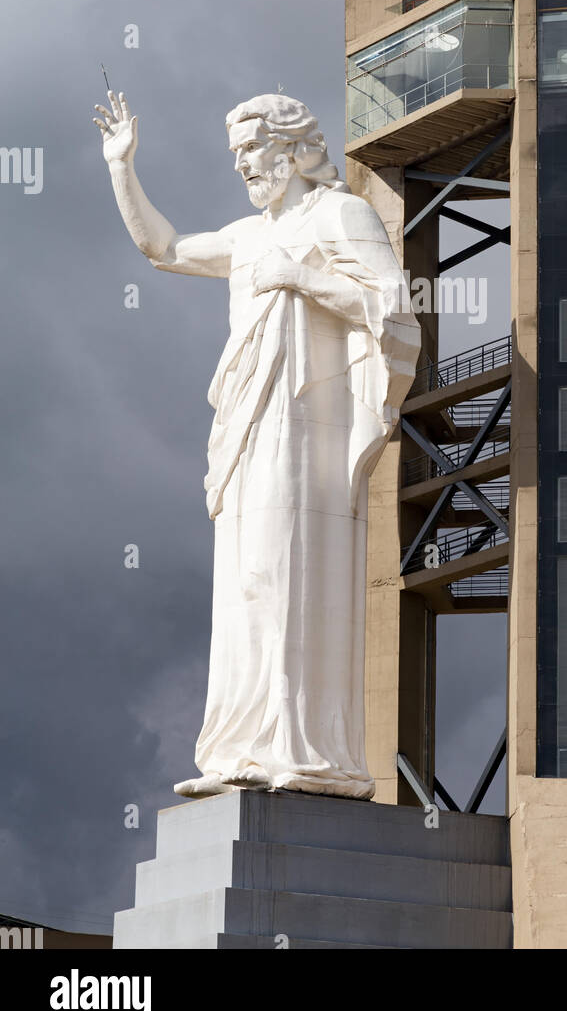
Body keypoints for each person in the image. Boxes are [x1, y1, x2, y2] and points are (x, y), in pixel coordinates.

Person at [93, 90, 419, 798]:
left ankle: (303, 752)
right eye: (236, 155)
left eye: (253, 150)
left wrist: (301, 275)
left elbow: (394, 303)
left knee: (289, 572)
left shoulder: (342, 214)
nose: (244, 165)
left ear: (294, 147)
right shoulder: (245, 236)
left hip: (308, 428)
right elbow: (165, 247)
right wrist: (123, 168)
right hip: (248, 423)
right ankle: (241, 747)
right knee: (246, 580)